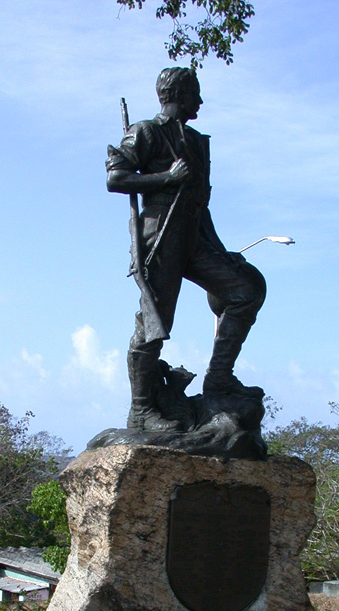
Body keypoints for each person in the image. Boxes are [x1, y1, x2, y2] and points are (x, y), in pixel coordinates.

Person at [107, 66, 266, 432]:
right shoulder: (146, 131)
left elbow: (200, 203)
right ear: (179, 94)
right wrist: (166, 177)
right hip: (160, 233)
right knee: (154, 323)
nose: (201, 100)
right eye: (195, 93)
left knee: (247, 289)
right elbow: (116, 178)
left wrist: (222, 251)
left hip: (195, 233)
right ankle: (142, 410)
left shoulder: (196, 142)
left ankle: (219, 379)